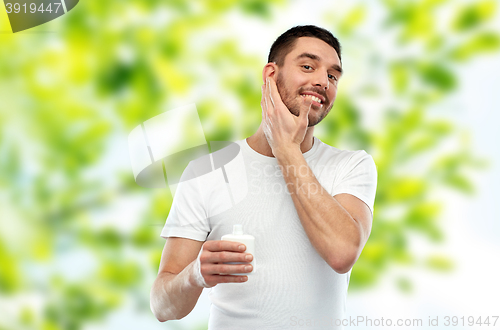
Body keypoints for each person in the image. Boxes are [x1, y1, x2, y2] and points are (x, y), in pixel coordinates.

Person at [150, 25, 377, 329]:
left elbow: (342, 253)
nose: (323, 81)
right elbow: (163, 306)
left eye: (333, 76)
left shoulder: (351, 166)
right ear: (271, 74)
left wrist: (286, 147)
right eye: (308, 66)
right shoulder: (207, 171)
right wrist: (194, 275)